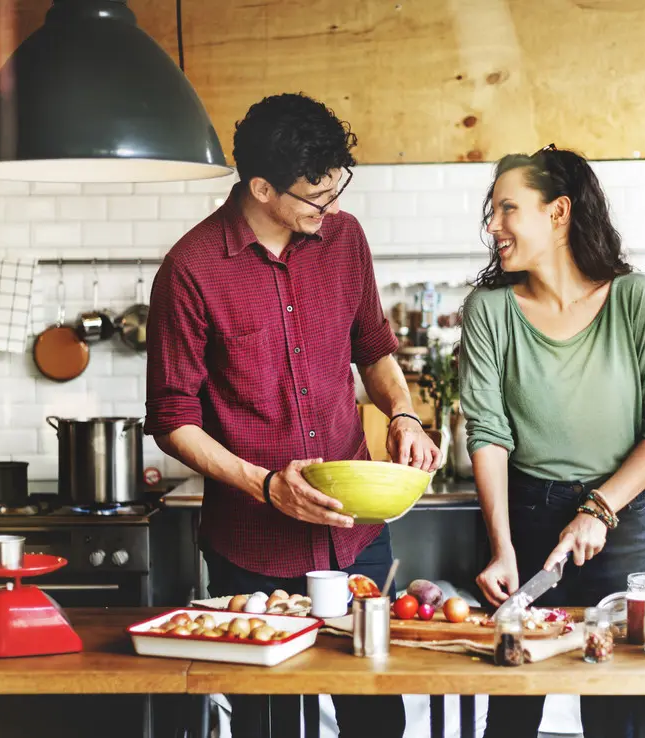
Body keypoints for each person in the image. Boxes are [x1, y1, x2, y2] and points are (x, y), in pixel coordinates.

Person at [145, 92, 441, 738]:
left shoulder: (344, 239)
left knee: (375, 716)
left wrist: (404, 415)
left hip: (357, 535)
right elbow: (171, 418)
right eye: (315, 197)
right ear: (259, 187)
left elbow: (374, 347)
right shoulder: (191, 270)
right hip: (252, 547)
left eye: (337, 190)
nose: (331, 208)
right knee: (266, 724)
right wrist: (266, 486)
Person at [459, 145, 645, 738]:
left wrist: (599, 507)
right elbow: (488, 433)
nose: (493, 225)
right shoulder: (489, 312)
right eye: (492, 211)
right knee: (511, 709)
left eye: (507, 208)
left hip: (615, 529)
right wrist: (502, 546)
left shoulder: (634, 298)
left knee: (617, 712)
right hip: (525, 521)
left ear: (557, 213)